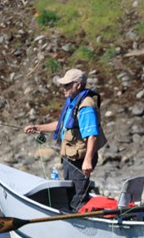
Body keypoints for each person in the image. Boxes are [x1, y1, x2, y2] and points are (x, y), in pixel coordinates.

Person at [24, 68, 107, 211]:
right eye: (63, 85)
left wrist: (87, 161)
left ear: (78, 85)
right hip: (71, 159)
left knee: (77, 200)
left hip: (80, 160)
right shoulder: (72, 102)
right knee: (72, 196)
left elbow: (92, 135)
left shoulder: (85, 106)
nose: (64, 89)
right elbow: (61, 125)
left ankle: (83, 227)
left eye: (67, 85)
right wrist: (37, 128)